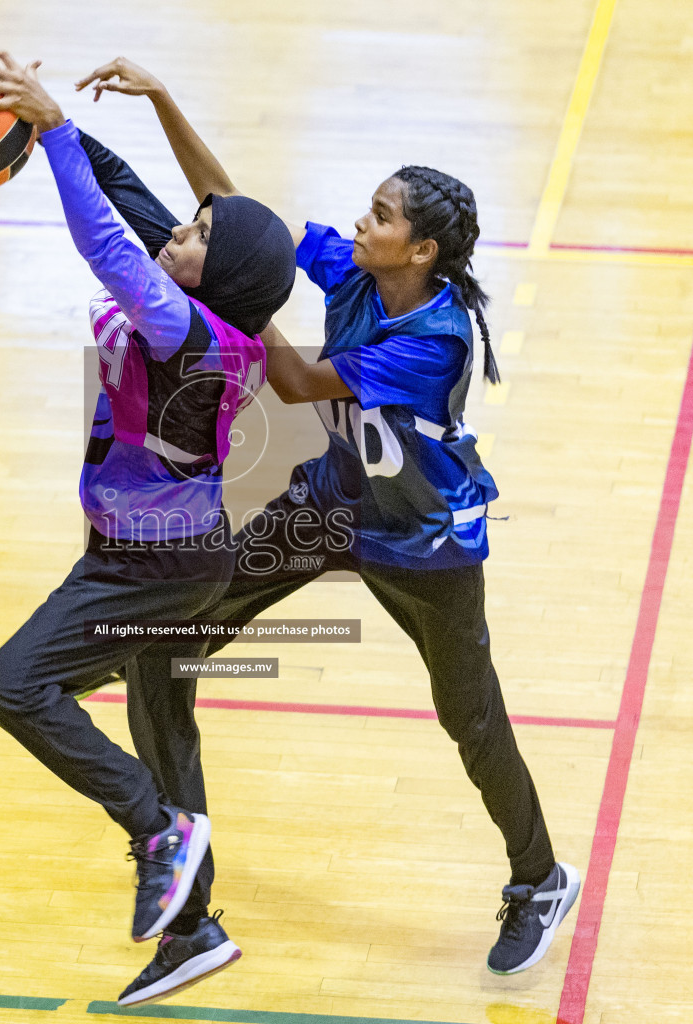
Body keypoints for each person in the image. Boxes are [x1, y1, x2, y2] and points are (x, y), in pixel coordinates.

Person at [78, 57, 581, 979]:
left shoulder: (431, 338)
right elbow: (233, 215)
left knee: (470, 721)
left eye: (381, 216)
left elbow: (299, 380)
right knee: (163, 639)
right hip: (334, 505)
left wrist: (237, 290)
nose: (362, 222)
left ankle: (540, 879)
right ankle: (189, 906)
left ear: (421, 250)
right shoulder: (356, 272)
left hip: (427, 543)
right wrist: (164, 102)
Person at [0, 48, 294, 1000]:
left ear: (212, 273)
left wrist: (59, 133)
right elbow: (132, 199)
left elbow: (105, 242)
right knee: (163, 728)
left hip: (149, 569)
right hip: (165, 555)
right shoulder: (199, 290)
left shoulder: (187, 332)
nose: (173, 235)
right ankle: (193, 930)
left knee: (15, 685)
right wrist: (44, 115)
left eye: (192, 236)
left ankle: (157, 829)